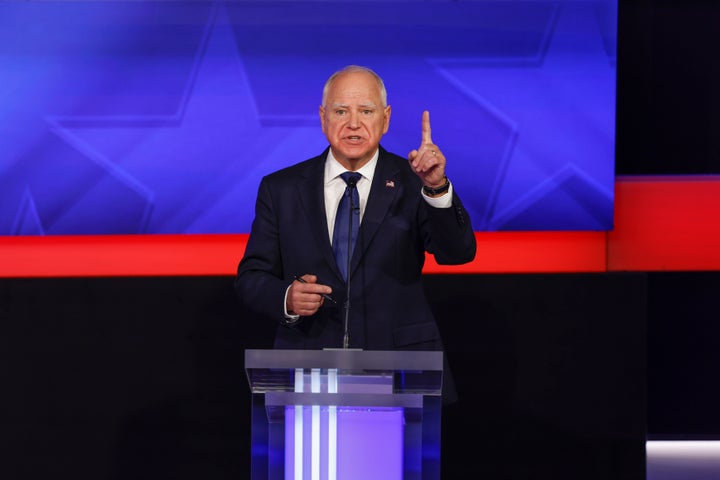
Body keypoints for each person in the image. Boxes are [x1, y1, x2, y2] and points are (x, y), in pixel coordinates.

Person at [234, 65, 475, 366]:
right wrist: (287, 297)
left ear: (385, 119)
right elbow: (251, 278)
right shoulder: (280, 189)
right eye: (340, 112)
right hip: (309, 363)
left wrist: (437, 188)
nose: (353, 124)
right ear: (323, 118)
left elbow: (457, 253)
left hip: (400, 365)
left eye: (366, 111)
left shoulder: (416, 182)